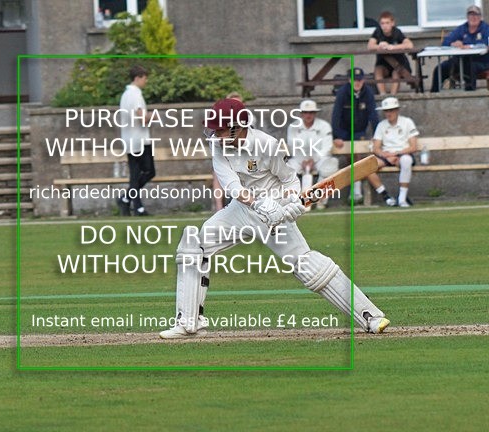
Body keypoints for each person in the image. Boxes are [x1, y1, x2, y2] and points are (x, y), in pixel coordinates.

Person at [158, 98, 390, 339]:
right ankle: (188, 324)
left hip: (275, 210)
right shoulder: (219, 146)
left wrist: (290, 205)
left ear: (238, 126)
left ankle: (370, 316)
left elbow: (289, 180)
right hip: (241, 209)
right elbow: (232, 185)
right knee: (194, 244)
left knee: (307, 267)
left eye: (221, 128)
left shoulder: (267, 145)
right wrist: (258, 203)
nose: (216, 134)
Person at [331, 68, 394, 205]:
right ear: (349, 80)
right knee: (350, 157)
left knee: (357, 155)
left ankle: (356, 191)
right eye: (355, 80)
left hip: (359, 130)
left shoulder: (368, 92)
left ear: (363, 80)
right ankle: (355, 188)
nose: (357, 82)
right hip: (344, 129)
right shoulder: (342, 93)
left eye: (360, 80)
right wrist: (337, 136)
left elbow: (373, 115)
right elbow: (336, 115)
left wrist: (377, 135)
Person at [116, 65, 155, 216]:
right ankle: (133, 204)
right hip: (139, 140)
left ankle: (128, 201)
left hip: (130, 140)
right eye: (145, 78)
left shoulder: (126, 95)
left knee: (136, 174)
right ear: (137, 78)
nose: (146, 81)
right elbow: (142, 118)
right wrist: (154, 116)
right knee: (149, 171)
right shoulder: (136, 95)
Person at [286, 99, 338, 210]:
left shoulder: (324, 126)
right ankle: (296, 202)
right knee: (286, 172)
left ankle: (320, 200)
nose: (308, 115)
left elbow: (327, 146)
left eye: (311, 112)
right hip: (299, 159)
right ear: (301, 113)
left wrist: (314, 159)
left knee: (331, 165)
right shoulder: (293, 127)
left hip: (319, 159)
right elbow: (293, 146)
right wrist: (304, 161)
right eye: (305, 112)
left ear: (315, 113)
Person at [430, 5, 489, 92]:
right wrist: (453, 43)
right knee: (440, 68)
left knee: (470, 68)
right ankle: (434, 95)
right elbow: (445, 42)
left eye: (476, 15)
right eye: (471, 15)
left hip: (480, 62)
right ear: (467, 17)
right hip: (459, 61)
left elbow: (488, 42)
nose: (473, 18)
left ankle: (470, 94)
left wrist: (468, 45)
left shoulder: (486, 29)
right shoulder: (462, 29)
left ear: (480, 17)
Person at [371, 97, 420, 208]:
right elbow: (376, 148)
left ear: (397, 110)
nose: (389, 113)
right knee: (367, 168)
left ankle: (402, 198)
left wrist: (397, 154)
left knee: (406, 160)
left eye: (391, 110)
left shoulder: (407, 122)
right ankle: (387, 197)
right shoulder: (381, 125)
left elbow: (413, 146)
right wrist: (386, 155)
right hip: (387, 156)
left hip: (403, 153)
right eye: (386, 111)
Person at [367, 11, 414, 95]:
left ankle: (393, 97)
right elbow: (370, 46)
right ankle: (382, 95)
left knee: (396, 73)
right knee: (377, 70)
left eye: (387, 23)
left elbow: (410, 45)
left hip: (399, 64)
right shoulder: (377, 32)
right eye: (382, 23)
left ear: (392, 23)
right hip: (383, 64)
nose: (385, 26)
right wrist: (379, 46)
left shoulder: (397, 32)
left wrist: (393, 47)